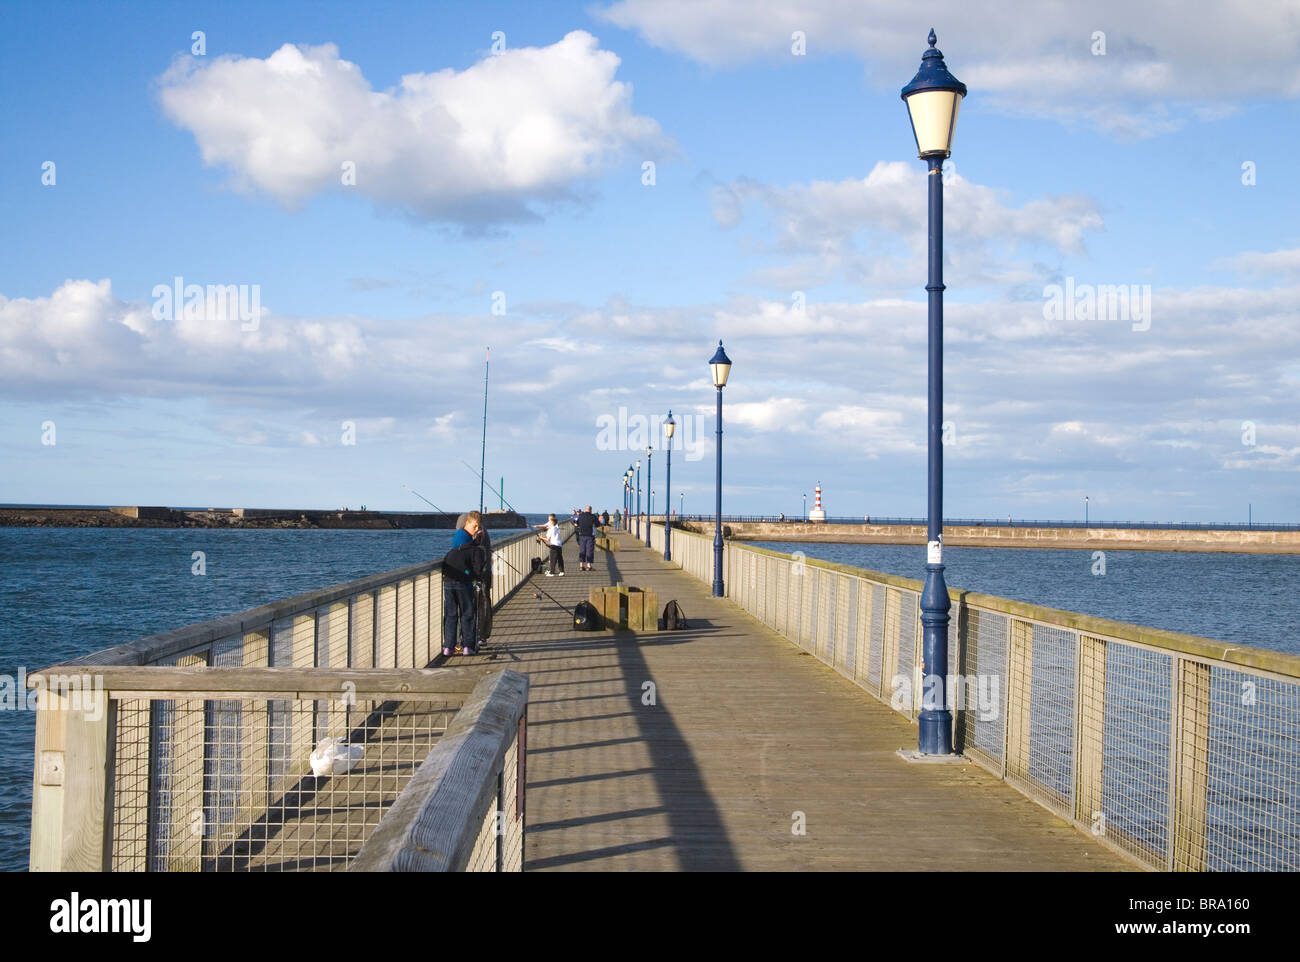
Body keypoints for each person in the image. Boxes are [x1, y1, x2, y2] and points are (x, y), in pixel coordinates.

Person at [442, 511, 489, 656]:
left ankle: (448, 647)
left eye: (478, 527)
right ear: (467, 523)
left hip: (449, 579)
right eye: (475, 526)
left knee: (450, 614)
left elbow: (463, 551)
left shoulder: (463, 536)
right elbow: (469, 555)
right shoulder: (463, 537)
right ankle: (467, 646)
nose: (476, 529)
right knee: (467, 614)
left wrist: (475, 541)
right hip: (462, 581)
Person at [575, 504, 599, 572]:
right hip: (590, 535)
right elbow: (597, 524)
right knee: (589, 550)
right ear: (591, 510)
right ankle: (589, 566)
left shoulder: (581, 516)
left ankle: (581, 566)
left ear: (585, 509)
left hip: (581, 535)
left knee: (582, 550)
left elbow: (576, 523)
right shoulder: (593, 516)